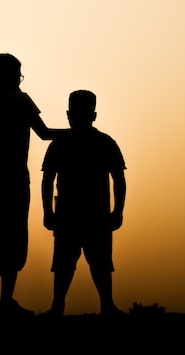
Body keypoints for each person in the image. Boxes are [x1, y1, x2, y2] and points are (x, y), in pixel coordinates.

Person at [0, 53, 66, 319]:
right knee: (13, 237)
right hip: (12, 178)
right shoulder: (20, 100)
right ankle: (5, 299)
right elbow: (45, 132)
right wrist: (77, 132)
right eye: (18, 74)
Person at [41, 89, 127, 318]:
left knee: (95, 263)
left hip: (89, 214)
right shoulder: (100, 142)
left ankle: (103, 305)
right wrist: (48, 211)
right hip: (78, 214)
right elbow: (47, 179)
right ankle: (61, 306)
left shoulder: (98, 143)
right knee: (69, 264)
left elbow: (119, 178)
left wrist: (118, 211)